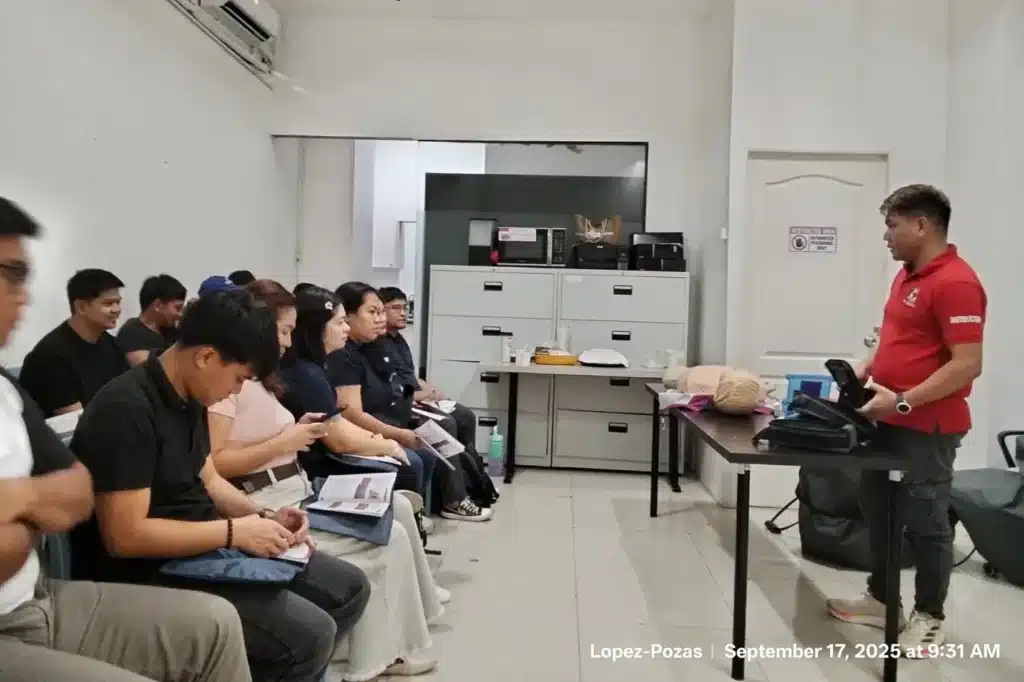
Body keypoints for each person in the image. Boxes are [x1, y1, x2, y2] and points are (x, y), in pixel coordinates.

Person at [0, 197, 252, 682]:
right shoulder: (108, 391)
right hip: (22, 616)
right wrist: (34, 513)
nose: (25, 296)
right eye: (11, 275)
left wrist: (17, 500)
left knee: (217, 627)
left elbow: (75, 491)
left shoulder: (4, 390)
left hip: (38, 597)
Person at [69, 289, 371, 682]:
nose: (237, 390)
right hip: (148, 569)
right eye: (239, 378)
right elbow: (125, 536)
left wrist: (264, 516)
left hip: (202, 544)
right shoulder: (126, 410)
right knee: (308, 635)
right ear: (206, 357)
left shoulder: (188, 397)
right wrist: (235, 533)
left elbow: (207, 477)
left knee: (349, 588)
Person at [209, 279, 444, 680]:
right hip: (271, 497)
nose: (285, 341)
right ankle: (376, 656)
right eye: (282, 330)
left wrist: (294, 432)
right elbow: (214, 463)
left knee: (396, 510)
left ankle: (402, 635)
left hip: (290, 486)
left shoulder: (265, 379)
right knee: (387, 536)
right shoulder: (229, 383)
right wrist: (287, 440)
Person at [826, 185, 986, 654]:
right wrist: (866, 366)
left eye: (892, 226)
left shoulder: (956, 282)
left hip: (927, 428)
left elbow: (966, 364)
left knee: (927, 521)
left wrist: (902, 402)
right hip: (886, 418)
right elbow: (896, 336)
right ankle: (882, 600)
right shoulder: (906, 276)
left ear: (922, 225)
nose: (886, 237)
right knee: (878, 509)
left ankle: (929, 616)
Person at [332, 282, 491, 522]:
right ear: (350, 316)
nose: (380, 319)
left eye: (381, 312)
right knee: (420, 454)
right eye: (373, 312)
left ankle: (460, 491)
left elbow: (400, 382)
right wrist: (397, 433)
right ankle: (435, 507)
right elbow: (352, 413)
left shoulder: (381, 345)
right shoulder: (345, 355)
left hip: (394, 417)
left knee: (455, 421)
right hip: (373, 428)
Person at [277, 286, 431, 500]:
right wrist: (386, 444)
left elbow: (337, 420)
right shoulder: (307, 374)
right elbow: (338, 438)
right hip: (322, 463)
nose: (346, 330)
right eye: (340, 323)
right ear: (317, 329)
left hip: (334, 448)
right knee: (409, 464)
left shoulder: (317, 366)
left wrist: (375, 438)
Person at [374, 286, 498, 509]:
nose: (403, 313)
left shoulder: (398, 341)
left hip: (412, 398)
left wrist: (432, 390)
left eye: (405, 308)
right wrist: (422, 395)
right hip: (401, 406)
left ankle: (474, 481)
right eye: (396, 308)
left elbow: (409, 376)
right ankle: (453, 499)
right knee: (446, 423)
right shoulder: (376, 345)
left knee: (465, 415)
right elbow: (394, 388)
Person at [18, 268, 129, 417]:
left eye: (118, 303)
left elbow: (128, 395)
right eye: (108, 304)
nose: (117, 309)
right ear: (81, 307)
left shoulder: (112, 345)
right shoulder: (50, 356)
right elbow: (78, 423)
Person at [117, 274, 187, 367]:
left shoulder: (171, 330)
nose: (180, 314)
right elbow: (152, 371)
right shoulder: (131, 332)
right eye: (177, 308)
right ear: (158, 305)